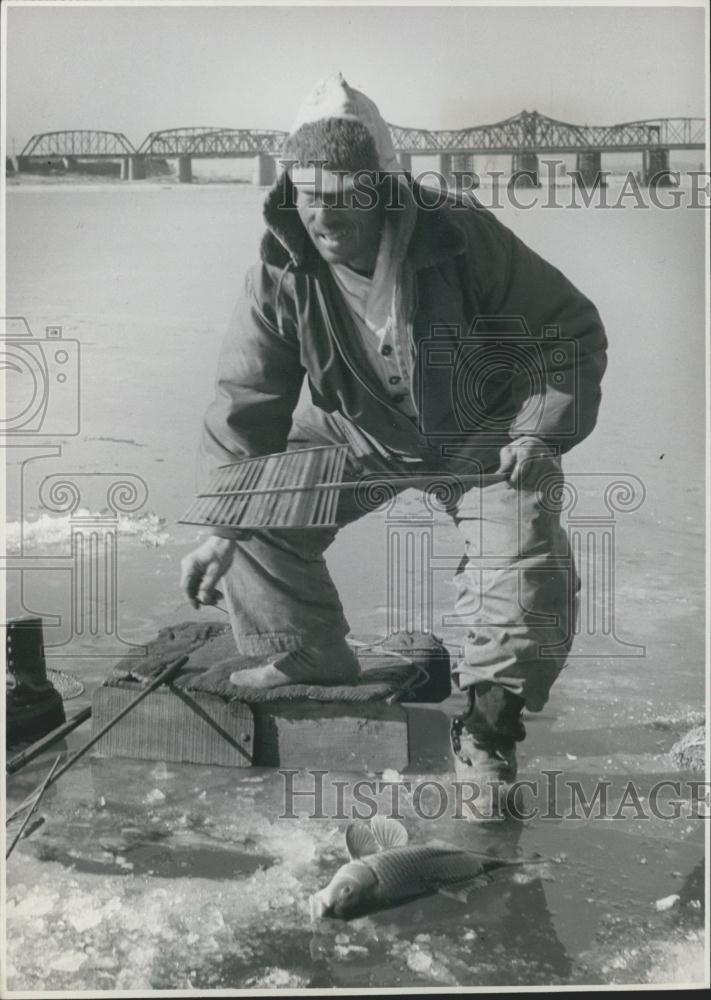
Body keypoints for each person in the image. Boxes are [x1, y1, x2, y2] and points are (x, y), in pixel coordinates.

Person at [181, 74, 607, 791]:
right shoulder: (281, 268)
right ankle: (308, 652)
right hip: (358, 432)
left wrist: (537, 434)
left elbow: (566, 333)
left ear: (381, 188)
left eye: (346, 196)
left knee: (523, 564)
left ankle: (488, 732)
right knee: (245, 510)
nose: (325, 214)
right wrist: (224, 523)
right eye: (310, 195)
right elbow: (246, 399)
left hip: (484, 436)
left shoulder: (461, 235)